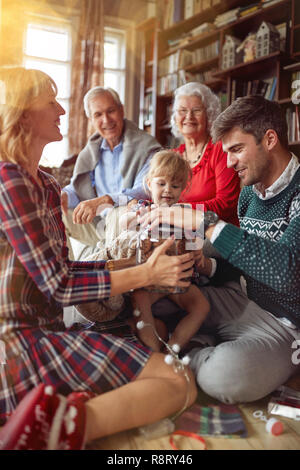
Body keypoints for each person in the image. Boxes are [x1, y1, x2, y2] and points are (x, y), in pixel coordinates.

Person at [0, 67, 197, 450]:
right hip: (18, 342)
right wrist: (142, 273)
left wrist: (128, 266)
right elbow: (58, 285)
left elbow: (64, 268)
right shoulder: (10, 180)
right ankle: (57, 429)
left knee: (175, 378)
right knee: (180, 383)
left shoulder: (43, 182)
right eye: (50, 102)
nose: (61, 110)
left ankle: (53, 421)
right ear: (24, 114)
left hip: (47, 330)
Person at [139, 95, 300, 404]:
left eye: (236, 150)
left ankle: (190, 353)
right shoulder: (250, 195)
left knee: (225, 376)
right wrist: (207, 266)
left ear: (269, 139)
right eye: (226, 152)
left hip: (286, 324)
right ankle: (197, 345)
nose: (229, 162)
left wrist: (206, 222)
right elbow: (245, 260)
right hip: (241, 296)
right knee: (153, 300)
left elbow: (288, 273)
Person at [77, 150, 210, 353]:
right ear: (149, 184)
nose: (168, 190)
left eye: (175, 186)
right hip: (149, 281)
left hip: (177, 280)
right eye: (161, 184)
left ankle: (173, 349)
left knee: (201, 306)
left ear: (183, 188)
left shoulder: (186, 213)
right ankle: (153, 350)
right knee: (140, 300)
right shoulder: (143, 209)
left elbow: (196, 239)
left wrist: (198, 251)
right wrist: (135, 216)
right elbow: (123, 223)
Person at [61, 86, 161, 250]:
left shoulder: (146, 146)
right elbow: (78, 189)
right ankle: (68, 272)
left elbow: (145, 189)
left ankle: (110, 263)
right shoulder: (90, 152)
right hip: (100, 225)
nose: (106, 120)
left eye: (111, 111)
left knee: (117, 212)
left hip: (132, 223)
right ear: (91, 120)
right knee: (58, 213)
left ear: (121, 111)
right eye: (98, 115)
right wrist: (64, 195)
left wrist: (107, 200)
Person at [170, 82, 241, 227]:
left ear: (209, 114)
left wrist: (178, 210)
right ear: (175, 117)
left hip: (215, 232)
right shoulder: (172, 156)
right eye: (182, 110)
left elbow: (226, 203)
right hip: (180, 229)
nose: (189, 116)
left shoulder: (220, 149)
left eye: (196, 110)